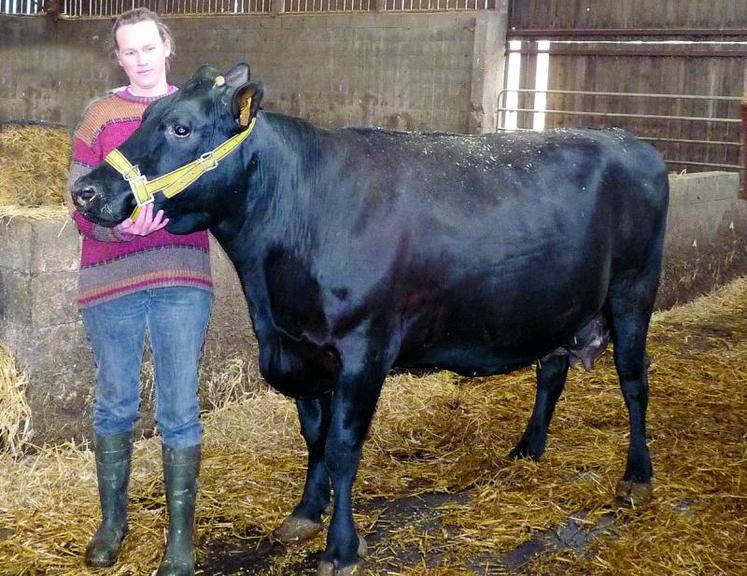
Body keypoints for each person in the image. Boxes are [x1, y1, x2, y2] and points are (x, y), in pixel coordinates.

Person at [66, 8, 212, 575]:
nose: (141, 59)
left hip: (180, 274)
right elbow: (78, 194)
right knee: (116, 402)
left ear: (167, 47)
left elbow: (217, 184)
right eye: (130, 51)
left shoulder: (194, 113)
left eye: (149, 47)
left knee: (179, 408)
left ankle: (181, 540)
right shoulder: (100, 115)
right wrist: (115, 227)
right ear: (118, 56)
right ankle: (113, 523)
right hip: (110, 278)